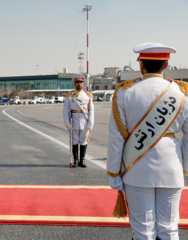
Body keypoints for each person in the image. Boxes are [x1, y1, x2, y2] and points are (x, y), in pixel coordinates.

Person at [107, 42, 188, 239]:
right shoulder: (182, 93)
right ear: (166, 65)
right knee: (169, 229)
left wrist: (114, 172)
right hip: (171, 168)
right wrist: (184, 166)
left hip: (136, 168)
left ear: (141, 65)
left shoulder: (125, 92)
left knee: (143, 230)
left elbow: (116, 137)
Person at [63, 74, 94, 167]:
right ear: (74, 83)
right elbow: (65, 111)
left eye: (81, 82)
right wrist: (67, 123)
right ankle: (75, 160)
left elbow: (91, 111)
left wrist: (90, 124)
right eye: (77, 82)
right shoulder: (70, 95)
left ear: (83, 83)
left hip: (84, 122)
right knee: (74, 141)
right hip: (74, 121)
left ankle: (82, 160)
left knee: (84, 140)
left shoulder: (88, 96)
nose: (79, 84)